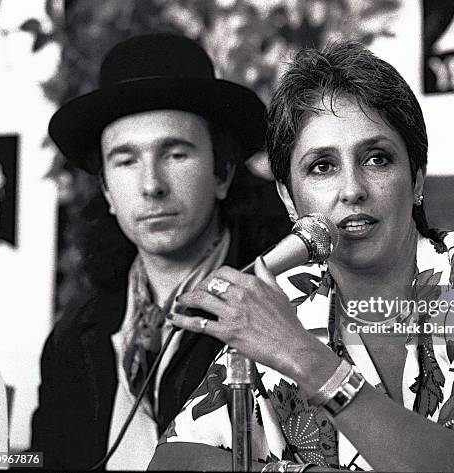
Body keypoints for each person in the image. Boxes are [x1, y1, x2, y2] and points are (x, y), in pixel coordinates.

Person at [149, 41, 454, 472]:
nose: (353, 189)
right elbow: (171, 461)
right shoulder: (289, 300)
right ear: (288, 197)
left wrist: (302, 356)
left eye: (377, 159)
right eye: (322, 166)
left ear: (416, 180)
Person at [29, 34, 287, 470]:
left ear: (222, 172)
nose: (151, 185)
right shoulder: (75, 337)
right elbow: (41, 461)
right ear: (107, 191)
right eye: (126, 161)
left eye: (176, 153)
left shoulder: (280, 307)